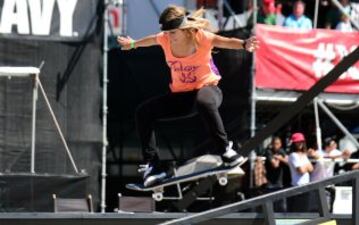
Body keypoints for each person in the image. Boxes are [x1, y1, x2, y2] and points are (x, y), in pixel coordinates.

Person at [117, 5, 259, 187]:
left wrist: (244, 44)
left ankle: (225, 150)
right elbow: (152, 40)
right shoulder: (165, 39)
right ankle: (153, 165)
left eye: (173, 33)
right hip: (183, 98)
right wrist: (133, 44)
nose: (169, 37)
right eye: (167, 33)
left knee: (203, 101)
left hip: (208, 90)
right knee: (143, 112)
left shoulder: (200, 37)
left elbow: (223, 41)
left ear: (184, 29)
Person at [287, 132, 314, 212]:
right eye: (297, 142)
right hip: (297, 188)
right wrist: (306, 166)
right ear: (294, 143)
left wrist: (304, 166)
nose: (300, 143)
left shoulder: (304, 155)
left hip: (306, 187)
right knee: (297, 213)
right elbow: (301, 170)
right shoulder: (293, 155)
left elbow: (311, 169)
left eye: (301, 141)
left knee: (305, 213)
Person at [264, 136, 288, 212]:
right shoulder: (268, 151)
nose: (276, 146)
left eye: (277, 144)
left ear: (280, 144)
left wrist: (280, 158)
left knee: (281, 207)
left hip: (280, 183)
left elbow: (288, 162)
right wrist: (279, 158)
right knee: (271, 207)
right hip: (270, 184)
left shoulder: (282, 151)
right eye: (274, 144)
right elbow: (275, 165)